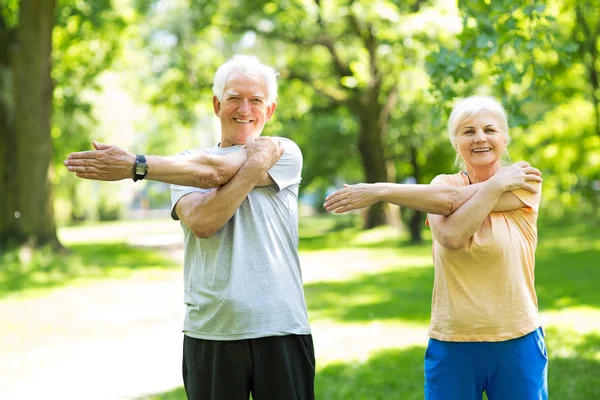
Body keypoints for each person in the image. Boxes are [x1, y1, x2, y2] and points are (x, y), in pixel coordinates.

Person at [65, 55, 315, 400]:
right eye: (234, 98)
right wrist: (253, 168)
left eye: (256, 100)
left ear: (269, 110)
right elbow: (203, 221)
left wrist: (136, 165)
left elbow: (212, 173)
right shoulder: (184, 164)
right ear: (216, 104)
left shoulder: (284, 152)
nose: (245, 109)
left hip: (281, 326)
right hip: (211, 331)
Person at [324, 95, 547, 400]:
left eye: (489, 129)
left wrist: (383, 191)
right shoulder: (443, 184)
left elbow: (450, 203)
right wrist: (496, 185)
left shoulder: (524, 180)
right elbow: (453, 235)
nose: (480, 137)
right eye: (468, 131)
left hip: (517, 339)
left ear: (504, 139)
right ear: (456, 143)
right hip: (452, 342)